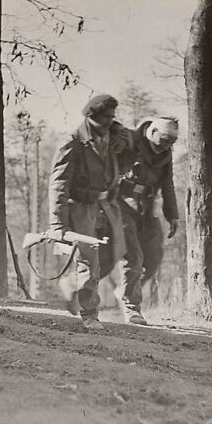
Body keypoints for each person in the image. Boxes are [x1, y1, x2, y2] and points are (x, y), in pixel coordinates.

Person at [47, 94, 131, 330]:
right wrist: (57, 224)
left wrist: (125, 145)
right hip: (82, 206)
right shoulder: (73, 142)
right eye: (106, 117)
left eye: (113, 117)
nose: (111, 121)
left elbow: (123, 167)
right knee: (89, 260)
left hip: (107, 206)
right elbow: (59, 184)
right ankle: (90, 314)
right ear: (92, 116)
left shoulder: (113, 139)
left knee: (114, 253)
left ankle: (73, 284)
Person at [116, 116, 180, 325]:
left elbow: (167, 184)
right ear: (152, 133)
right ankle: (131, 307)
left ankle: (124, 290)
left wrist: (172, 215)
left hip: (146, 208)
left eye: (172, 142)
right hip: (121, 205)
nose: (167, 146)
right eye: (164, 140)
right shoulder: (131, 141)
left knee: (153, 258)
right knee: (133, 255)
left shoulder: (166, 154)